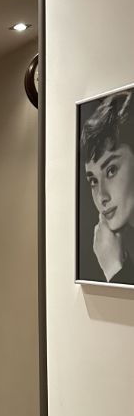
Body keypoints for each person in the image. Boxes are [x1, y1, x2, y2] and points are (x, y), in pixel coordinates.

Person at [81, 89, 134, 284]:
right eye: (93, 180)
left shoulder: (109, 255)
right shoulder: (106, 247)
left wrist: (113, 269)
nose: (101, 196)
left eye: (111, 170)